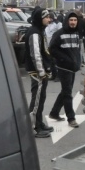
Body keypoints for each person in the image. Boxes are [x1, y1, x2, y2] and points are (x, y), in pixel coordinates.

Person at [48, 12, 82, 128]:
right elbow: (52, 49)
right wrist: (65, 59)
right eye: (71, 20)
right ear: (67, 20)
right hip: (63, 68)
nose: (73, 22)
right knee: (68, 93)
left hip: (72, 68)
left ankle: (54, 113)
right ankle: (71, 118)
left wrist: (78, 62)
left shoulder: (76, 33)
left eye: (75, 20)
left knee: (65, 91)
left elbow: (77, 50)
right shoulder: (59, 34)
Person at [24, 7, 54, 137]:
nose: (49, 19)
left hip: (42, 71)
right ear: (40, 19)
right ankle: (34, 128)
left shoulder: (40, 31)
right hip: (38, 73)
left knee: (41, 98)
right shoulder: (35, 33)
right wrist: (41, 71)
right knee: (36, 101)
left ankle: (39, 122)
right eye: (46, 17)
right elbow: (35, 54)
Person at [45, 13, 63, 80]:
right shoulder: (47, 25)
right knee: (51, 61)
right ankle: (53, 74)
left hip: (56, 45)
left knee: (56, 61)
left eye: (50, 18)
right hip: (48, 44)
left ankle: (59, 76)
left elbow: (61, 32)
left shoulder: (58, 24)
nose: (49, 19)